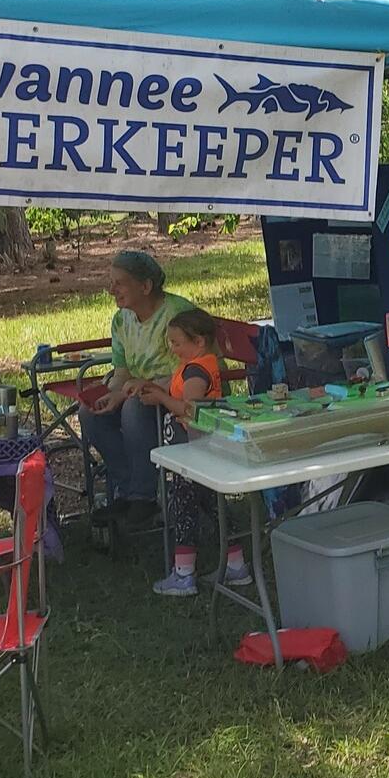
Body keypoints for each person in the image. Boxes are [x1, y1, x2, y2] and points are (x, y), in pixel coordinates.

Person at [134, 308, 250, 597]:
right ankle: (236, 565)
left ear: (198, 342)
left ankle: (184, 573)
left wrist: (160, 398)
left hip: (195, 452)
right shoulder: (194, 364)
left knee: (185, 506)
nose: (172, 349)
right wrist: (150, 386)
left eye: (176, 343)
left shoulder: (198, 370)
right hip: (194, 450)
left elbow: (189, 408)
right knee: (212, 503)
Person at [84, 251, 196, 529]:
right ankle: (128, 491)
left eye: (119, 283)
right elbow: (122, 372)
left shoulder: (176, 315)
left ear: (145, 287)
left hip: (181, 395)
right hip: (141, 391)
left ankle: (143, 497)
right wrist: (109, 395)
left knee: (134, 407)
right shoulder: (122, 320)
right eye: (111, 282)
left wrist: (125, 394)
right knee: (90, 414)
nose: (112, 290)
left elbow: (186, 373)